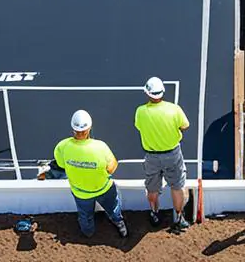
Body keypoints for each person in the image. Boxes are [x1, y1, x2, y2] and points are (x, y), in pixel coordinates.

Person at [39, 110, 128, 239]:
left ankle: (88, 233)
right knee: (113, 206)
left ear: (72, 128)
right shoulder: (100, 147)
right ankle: (119, 223)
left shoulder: (62, 146)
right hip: (103, 189)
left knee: (85, 215)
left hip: (80, 192)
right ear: (89, 128)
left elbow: (62, 165)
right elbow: (111, 168)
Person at [133, 77, 191, 232]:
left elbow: (139, 126)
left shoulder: (141, 111)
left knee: (152, 189)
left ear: (148, 93)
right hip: (173, 155)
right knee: (177, 186)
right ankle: (179, 218)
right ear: (162, 92)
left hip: (151, 157)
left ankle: (154, 213)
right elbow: (185, 125)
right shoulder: (174, 109)